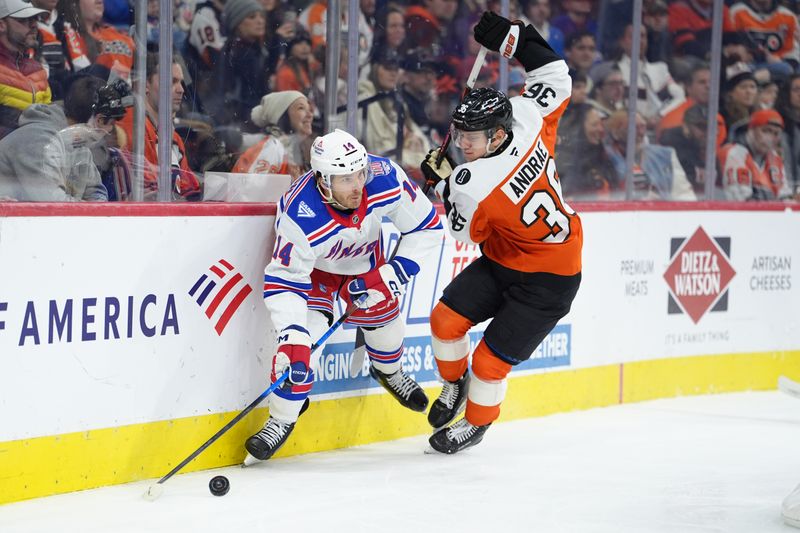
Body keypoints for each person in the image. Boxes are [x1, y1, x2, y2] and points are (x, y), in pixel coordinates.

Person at [419, 11, 582, 454]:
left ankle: (475, 423)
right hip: (507, 258)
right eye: (461, 133)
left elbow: (465, 234)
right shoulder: (527, 116)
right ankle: (454, 385)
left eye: (472, 137)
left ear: (496, 135)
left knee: (489, 363)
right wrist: (515, 37)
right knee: (445, 321)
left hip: (550, 281)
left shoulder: (472, 184)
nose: (462, 143)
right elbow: (555, 75)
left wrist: (442, 183)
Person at [244, 128, 443, 461]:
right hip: (315, 276)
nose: (357, 185)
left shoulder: (383, 176)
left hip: (367, 269)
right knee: (297, 354)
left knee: (387, 329)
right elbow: (285, 279)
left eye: (360, 174)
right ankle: (281, 419)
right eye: (346, 179)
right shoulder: (300, 212)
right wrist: (292, 333)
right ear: (323, 181)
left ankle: (389, 372)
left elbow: (426, 226)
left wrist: (393, 272)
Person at [117, 53, 201, 201]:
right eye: (172, 81)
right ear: (144, 85)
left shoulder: (174, 138)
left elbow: (190, 190)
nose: (181, 89)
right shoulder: (132, 124)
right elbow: (149, 192)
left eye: (180, 82)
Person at [0, 102, 107, 201]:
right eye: (101, 121)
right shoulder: (34, 139)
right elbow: (50, 202)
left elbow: (95, 191)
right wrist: (88, 210)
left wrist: (97, 208)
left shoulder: (78, 144)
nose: (105, 131)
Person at [604, 110, 697, 201]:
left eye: (642, 127)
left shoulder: (664, 155)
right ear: (615, 133)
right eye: (633, 128)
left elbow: (683, 194)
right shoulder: (605, 157)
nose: (641, 133)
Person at [232, 90, 314, 179]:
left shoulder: (296, 151)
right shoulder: (273, 148)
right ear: (283, 115)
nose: (310, 115)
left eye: (309, 109)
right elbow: (252, 186)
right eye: (301, 108)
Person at [0, 0, 51, 137]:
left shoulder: (38, 70)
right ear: (1, 25)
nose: (34, 25)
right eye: (23, 20)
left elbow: (49, 117)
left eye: (35, 19)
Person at [719, 108, 792, 201]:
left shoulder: (775, 158)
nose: (770, 138)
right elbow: (741, 200)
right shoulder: (733, 152)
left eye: (776, 133)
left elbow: (785, 197)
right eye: (766, 131)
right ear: (751, 130)